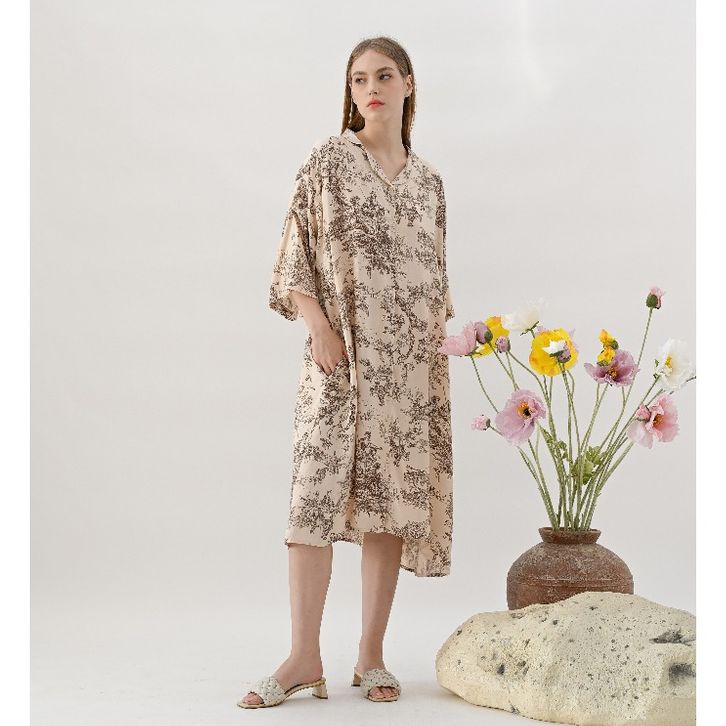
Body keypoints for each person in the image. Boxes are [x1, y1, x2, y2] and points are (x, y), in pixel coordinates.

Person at [238, 36, 455, 709]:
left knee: (388, 508)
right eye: (359, 79)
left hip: (408, 371)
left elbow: (436, 278)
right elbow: (293, 251)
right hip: (339, 359)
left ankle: (370, 656)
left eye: (384, 76)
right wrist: (320, 328)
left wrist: (445, 342)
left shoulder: (429, 183)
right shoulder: (330, 160)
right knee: (312, 501)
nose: (371, 89)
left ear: (408, 84)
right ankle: (303, 657)